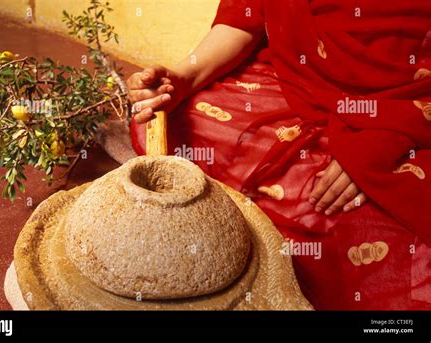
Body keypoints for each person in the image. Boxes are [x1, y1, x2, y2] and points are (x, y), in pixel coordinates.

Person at [127, 0, 431, 309]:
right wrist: (182, 79)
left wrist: (382, 142)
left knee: (377, 223)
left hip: (408, 107)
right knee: (173, 121)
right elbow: (246, 17)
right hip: (298, 80)